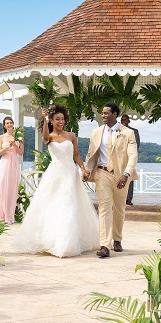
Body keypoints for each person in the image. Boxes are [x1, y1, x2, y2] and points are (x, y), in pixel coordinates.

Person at [13, 104, 99, 257]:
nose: (61, 122)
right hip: (55, 173)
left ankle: (68, 242)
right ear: (52, 120)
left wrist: (83, 169)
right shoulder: (49, 137)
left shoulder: (71, 135)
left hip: (70, 172)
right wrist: (44, 119)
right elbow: (45, 138)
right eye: (57, 119)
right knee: (54, 204)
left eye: (62, 119)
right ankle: (54, 241)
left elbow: (77, 155)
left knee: (70, 203)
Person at [83, 102, 138, 258]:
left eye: (106, 113)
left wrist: (126, 174)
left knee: (120, 209)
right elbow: (92, 154)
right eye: (102, 113)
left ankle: (117, 239)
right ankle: (104, 246)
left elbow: (133, 155)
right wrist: (87, 171)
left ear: (115, 115)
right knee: (104, 208)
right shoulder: (96, 132)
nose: (103, 115)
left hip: (121, 175)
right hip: (102, 173)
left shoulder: (127, 133)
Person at [0, 116, 23, 224]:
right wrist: (8, 146)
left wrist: (14, 144)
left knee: (12, 188)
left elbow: (21, 152)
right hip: (4, 163)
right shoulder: (1, 137)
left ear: (13, 124)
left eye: (11, 122)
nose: (9, 124)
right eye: (7, 123)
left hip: (14, 163)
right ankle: (1, 214)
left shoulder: (19, 137)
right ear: (4, 125)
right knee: (2, 186)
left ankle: (9, 216)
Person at [120, 114, 140, 205]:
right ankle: (120, 198)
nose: (123, 121)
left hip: (129, 158)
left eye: (125, 120)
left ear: (128, 121)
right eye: (122, 120)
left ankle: (128, 199)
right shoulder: (117, 130)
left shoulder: (134, 131)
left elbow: (137, 145)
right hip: (119, 159)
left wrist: (131, 156)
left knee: (129, 178)